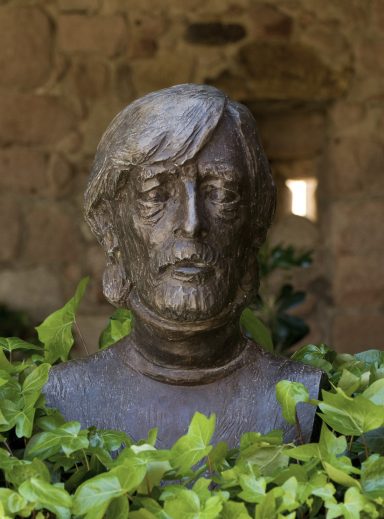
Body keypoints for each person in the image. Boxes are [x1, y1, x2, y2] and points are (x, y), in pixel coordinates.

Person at [44, 84, 323, 446]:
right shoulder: (60, 400)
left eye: (221, 194)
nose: (192, 223)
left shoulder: (311, 404)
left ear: (254, 224)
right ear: (111, 225)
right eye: (156, 194)